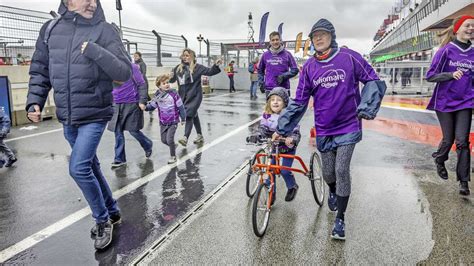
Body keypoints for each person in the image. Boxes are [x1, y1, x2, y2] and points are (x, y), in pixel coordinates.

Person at [26, 0, 131, 250]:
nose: (92, 3)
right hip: (67, 114)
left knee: (79, 167)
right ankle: (113, 210)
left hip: (95, 112)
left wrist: (95, 51)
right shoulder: (50, 29)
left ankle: (103, 220)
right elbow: (40, 69)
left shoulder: (105, 30)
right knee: (90, 165)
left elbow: (124, 72)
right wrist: (34, 102)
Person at [273, 19, 386, 241]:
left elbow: (373, 80)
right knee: (328, 173)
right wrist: (282, 127)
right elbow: (298, 102)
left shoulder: (350, 57)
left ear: (331, 36)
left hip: (348, 125)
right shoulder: (309, 68)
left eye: (323, 34)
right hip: (324, 128)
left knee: (342, 170)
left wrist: (366, 106)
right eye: (315, 36)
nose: (319, 38)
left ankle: (340, 219)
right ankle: (333, 190)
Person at [426, 15, 474, 196]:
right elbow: (430, 76)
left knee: (462, 141)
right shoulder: (446, 50)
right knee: (448, 139)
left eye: (473, 26)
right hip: (444, 102)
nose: (471, 28)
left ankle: (463, 182)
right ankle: (440, 159)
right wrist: (450, 74)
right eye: (468, 25)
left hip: (465, 102)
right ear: (458, 28)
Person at [247, 87, 301, 202]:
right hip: (274, 147)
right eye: (272, 100)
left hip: (287, 148)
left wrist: (292, 138)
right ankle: (272, 193)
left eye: (279, 100)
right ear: (269, 103)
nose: (275, 102)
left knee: (284, 170)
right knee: (269, 169)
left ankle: (292, 186)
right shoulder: (267, 116)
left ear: (285, 103)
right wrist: (256, 135)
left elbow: (296, 132)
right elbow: (262, 129)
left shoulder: (289, 117)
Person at [169, 48, 222, 146]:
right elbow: (172, 81)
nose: (185, 57)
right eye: (184, 55)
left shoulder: (198, 67)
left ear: (192, 57)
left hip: (195, 95)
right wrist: (170, 76)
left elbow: (210, 71)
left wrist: (216, 65)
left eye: (187, 55)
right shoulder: (178, 68)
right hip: (183, 96)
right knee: (194, 114)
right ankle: (200, 135)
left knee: (189, 114)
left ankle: (185, 138)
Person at [108, 63, 153, 168]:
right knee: (117, 132)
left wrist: (142, 101)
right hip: (115, 104)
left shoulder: (132, 67)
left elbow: (142, 84)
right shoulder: (108, 66)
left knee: (133, 131)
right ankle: (119, 159)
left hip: (132, 103)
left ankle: (147, 144)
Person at [145, 74, 186, 164]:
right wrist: (145, 108)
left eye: (167, 82)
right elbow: (153, 105)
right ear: (159, 86)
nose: (166, 84)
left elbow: (181, 107)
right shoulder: (158, 95)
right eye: (164, 83)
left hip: (173, 121)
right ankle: (173, 146)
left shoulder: (174, 94)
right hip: (163, 122)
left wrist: (183, 118)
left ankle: (173, 156)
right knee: (164, 140)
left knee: (169, 139)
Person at [258, 31, 299, 96]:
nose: (275, 42)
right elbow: (260, 70)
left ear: (280, 40)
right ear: (270, 42)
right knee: (270, 106)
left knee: (284, 106)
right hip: (269, 88)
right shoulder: (265, 55)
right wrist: (261, 83)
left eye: (277, 39)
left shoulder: (287, 54)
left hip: (284, 88)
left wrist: (283, 76)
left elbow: (295, 70)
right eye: (273, 40)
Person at [133, 51, 152, 117]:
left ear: (139, 57)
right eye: (134, 56)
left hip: (143, 81)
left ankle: (150, 106)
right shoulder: (133, 64)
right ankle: (147, 105)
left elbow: (143, 73)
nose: (135, 57)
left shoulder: (142, 64)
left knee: (144, 94)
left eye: (136, 56)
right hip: (136, 82)